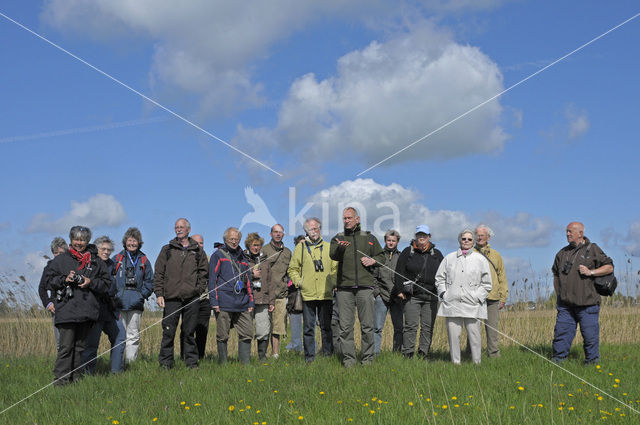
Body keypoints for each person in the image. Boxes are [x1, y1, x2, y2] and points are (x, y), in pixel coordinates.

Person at [47, 226, 110, 385]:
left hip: (87, 311)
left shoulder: (96, 261)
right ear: (71, 239)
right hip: (66, 310)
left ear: (87, 240)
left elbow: (107, 284)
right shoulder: (61, 259)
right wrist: (64, 279)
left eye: (82, 239)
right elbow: (49, 282)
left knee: (80, 348)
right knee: (66, 348)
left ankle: (75, 380)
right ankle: (60, 382)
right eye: (76, 239)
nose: (79, 243)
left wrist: (91, 282)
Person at [551, 222, 613, 364]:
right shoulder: (561, 253)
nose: (567, 234)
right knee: (561, 335)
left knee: (590, 336)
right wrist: (560, 294)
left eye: (570, 231)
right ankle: (558, 363)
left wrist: (591, 272)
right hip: (566, 306)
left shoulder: (593, 249)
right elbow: (555, 272)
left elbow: (609, 267)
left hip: (588, 304)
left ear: (580, 233)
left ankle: (592, 364)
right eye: (566, 231)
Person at [330, 207, 385, 367]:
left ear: (357, 219)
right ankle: (349, 361)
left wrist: (373, 261)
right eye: (344, 218)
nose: (346, 221)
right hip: (344, 289)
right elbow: (333, 255)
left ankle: (367, 360)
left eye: (349, 218)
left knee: (367, 326)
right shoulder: (338, 238)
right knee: (345, 327)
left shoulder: (369, 237)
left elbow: (381, 256)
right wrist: (341, 247)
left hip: (365, 288)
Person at [154, 218, 208, 369]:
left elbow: (204, 273)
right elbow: (159, 272)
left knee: (189, 332)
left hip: (192, 298)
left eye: (181, 227)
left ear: (188, 230)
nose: (178, 229)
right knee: (168, 331)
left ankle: (191, 363)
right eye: (176, 227)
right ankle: (165, 363)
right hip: (171, 298)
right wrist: (159, 293)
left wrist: (199, 290)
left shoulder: (198, 251)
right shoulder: (167, 249)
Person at [435, 229, 492, 365]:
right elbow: (439, 278)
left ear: (473, 242)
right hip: (452, 304)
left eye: (469, 239)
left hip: (472, 305)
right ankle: (456, 364)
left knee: (475, 336)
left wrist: (477, 297)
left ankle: (477, 363)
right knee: (454, 337)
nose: (466, 241)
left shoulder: (480, 259)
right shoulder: (449, 258)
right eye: (464, 238)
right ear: (459, 240)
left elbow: (487, 284)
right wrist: (444, 293)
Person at [288, 218, 337, 363]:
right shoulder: (300, 248)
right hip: (308, 294)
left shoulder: (329, 247)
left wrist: (332, 283)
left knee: (326, 327)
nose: (314, 232)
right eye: (310, 229)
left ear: (320, 229)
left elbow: (335, 268)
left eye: (316, 228)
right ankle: (309, 358)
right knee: (308, 328)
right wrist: (300, 282)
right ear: (306, 232)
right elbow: (292, 269)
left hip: (325, 293)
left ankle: (328, 356)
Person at [394, 225, 443, 358]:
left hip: (431, 296)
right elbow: (398, 272)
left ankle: (423, 354)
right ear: (415, 236)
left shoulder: (437, 254)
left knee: (427, 327)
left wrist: (442, 292)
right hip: (412, 296)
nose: (422, 237)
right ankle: (408, 354)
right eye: (419, 235)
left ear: (429, 237)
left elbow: (444, 274)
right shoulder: (407, 252)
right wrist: (399, 290)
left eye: (424, 235)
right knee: (411, 326)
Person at [209, 227, 254, 364]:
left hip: (243, 301)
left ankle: (245, 364)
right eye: (231, 239)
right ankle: (223, 364)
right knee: (223, 335)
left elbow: (249, 282)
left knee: (247, 333)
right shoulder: (218, 255)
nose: (234, 242)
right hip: (224, 301)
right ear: (225, 240)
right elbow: (212, 280)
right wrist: (214, 301)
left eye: (236, 239)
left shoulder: (244, 257)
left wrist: (251, 303)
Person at [82, 236, 125, 374]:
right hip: (94, 310)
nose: (106, 252)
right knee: (91, 345)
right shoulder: (90, 263)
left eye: (109, 250)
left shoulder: (112, 265)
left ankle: (116, 371)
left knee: (120, 337)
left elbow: (113, 287)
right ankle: (87, 374)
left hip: (110, 309)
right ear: (97, 249)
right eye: (103, 249)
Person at [112, 227, 154, 365]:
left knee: (133, 335)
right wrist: (114, 295)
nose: (132, 243)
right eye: (129, 240)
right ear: (125, 241)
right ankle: (118, 363)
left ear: (139, 242)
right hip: (119, 302)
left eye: (135, 241)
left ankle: (131, 364)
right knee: (119, 335)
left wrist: (142, 295)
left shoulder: (144, 260)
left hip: (136, 302)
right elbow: (109, 278)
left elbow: (150, 281)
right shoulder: (117, 259)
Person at [474, 224, 508, 358]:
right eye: (477, 234)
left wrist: (503, 296)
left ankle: (493, 356)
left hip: (492, 297)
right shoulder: (469, 253)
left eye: (482, 235)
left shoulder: (496, 255)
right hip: (474, 297)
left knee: (492, 329)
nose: (479, 237)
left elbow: (502, 276)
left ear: (488, 237)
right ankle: (471, 355)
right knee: (473, 329)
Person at [261, 224, 292, 359]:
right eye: (275, 232)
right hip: (266, 295)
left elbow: (290, 271)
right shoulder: (264, 250)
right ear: (270, 234)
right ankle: (263, 353)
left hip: (281, 294)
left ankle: (275, 353)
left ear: (283, 234)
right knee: (264, 326)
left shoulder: (287, 252)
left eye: (280, 232)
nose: (278, 234)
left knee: (278, 327)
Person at [179, 234, 210, 360]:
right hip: (188, 299)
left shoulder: (209, 259)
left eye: (201, 243)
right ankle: (184, 356)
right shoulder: (184, 257)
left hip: (204, 299)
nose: (199, 245)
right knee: (187, 329)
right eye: (196, 242)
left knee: (202, 330)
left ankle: (200, 356)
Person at [244, 232, 274, 361]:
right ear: (248, 245)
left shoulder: (266, 261)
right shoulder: (242, 259)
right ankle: (246, 358)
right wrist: (251, 274)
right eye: (253, 245)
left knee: (263, 329)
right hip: (247, 300)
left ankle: (262, 357)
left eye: (258, 245)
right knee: (246, 330)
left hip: (263, 299)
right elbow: (239, 277)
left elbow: (271, 282)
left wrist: (272, 301)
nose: (255, 248)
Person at [373, 229, 403, 354]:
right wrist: (377, 293)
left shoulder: (402, 257)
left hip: (397, 297)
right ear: (385, 241)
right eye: (389, 240)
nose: (391, 243)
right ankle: (374, 354)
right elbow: (373, 276)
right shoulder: (379, 256)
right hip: (382, 297)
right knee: (377, 328)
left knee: (399, 328)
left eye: (393, 241)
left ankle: (397, 353)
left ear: (397, 242)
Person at [38, 237, 68, 351]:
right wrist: (48, 303)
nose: (59, 255)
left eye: (61, 252)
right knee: (60, 343)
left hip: (71, 308)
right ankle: (62, 368)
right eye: (56, 253)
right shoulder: (49, 267)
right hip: (56, 307)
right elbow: (42, 288)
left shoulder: (71, 265)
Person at [285, 235, 305, 353]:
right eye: (300, 244)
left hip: (310, 297)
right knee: (295, 324)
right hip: (294, 296)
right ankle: (296, 349)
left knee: (310, 326)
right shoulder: (291, 260)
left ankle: (310, 349)